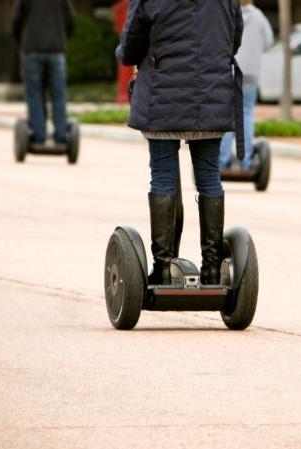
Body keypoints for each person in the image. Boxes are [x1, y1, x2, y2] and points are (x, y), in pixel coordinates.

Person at [116, 0, 244, 285]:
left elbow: (131, 47)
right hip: (211, 98)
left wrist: (123, 53)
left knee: (163, 176)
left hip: (163, 99)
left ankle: (164, 268)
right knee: (209, 178)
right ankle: (212, 269)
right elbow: (234, 39)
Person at [11, 0, 76, 147]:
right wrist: (61, 37)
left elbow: (15, 21)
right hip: (56, 49)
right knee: (58, 94)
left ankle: (39, 136)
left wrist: (21, 41)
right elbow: (71, 19)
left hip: (31, 49)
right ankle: (61, 136)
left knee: (34, 94)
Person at [219, 0, 273, 171]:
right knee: (247, 114)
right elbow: (269, 42)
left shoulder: (227, 14)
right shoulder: (259, 16)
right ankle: (246, 161)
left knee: (228, 115)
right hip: (251, 72)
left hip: (231, 70)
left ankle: (223, 160)